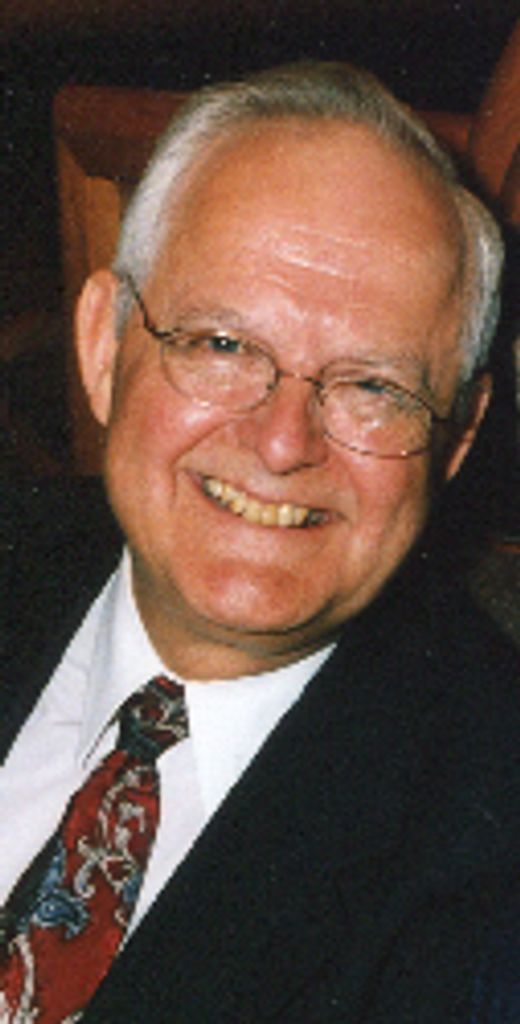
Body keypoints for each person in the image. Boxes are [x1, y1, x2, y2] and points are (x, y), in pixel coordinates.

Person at [1, 61, 519, 1022]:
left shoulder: (488, 851)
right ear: (105, 346)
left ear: (458, 440)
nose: (283, 444)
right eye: (224, 345)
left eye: (374, 386)